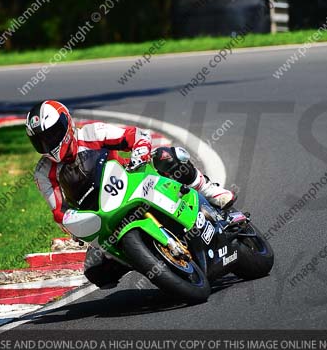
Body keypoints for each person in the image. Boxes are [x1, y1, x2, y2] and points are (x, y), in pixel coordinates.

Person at [26, 99, 236, 288]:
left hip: (131, 182)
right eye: (42, 140)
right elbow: (59, 211)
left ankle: (210, 191)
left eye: (53, 134)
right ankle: (150, 259)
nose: (49, 144)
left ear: (67, 123)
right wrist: (75, 224)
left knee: (165, 156)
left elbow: (135, 135)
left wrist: (141, 150)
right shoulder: (43, 172)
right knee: (95, 271)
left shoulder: (92, 133)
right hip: (101, 216)